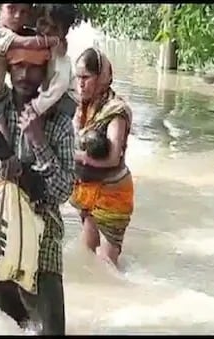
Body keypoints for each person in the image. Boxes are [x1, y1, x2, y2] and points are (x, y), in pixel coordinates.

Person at [0, 28, 75, 335]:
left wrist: (38, 141)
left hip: (43, 244)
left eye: (34, 67)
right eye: (19, 66)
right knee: (9, 324)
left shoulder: (60, 122)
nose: (25, 74)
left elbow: (64, 191)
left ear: (46, 70)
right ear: (8, 68)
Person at [69, 48, 134, 268]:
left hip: (113, 194)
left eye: (86, 78)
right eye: (78, 77)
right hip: (89, 192)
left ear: (101, 78)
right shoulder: (83, 108)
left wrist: (80, 158)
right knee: (86, 257)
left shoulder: (115, 111)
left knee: (107, 265)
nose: (80, 84)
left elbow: (113, 158)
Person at [0, 3, 60, 142]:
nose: (17, 16)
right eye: (11, 9)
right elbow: (27, 43)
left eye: (23, 12)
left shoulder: (60, 124)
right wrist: (55, 41)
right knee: (1, 142)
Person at [30, 4, 81, 119]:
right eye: (43, 23)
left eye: (54, 28)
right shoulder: (34, 41)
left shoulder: (59, 56)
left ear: (64, 33)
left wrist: (34, 109)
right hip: (46, 94)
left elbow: (58, 88)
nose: (47, 30)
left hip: (66, 101)